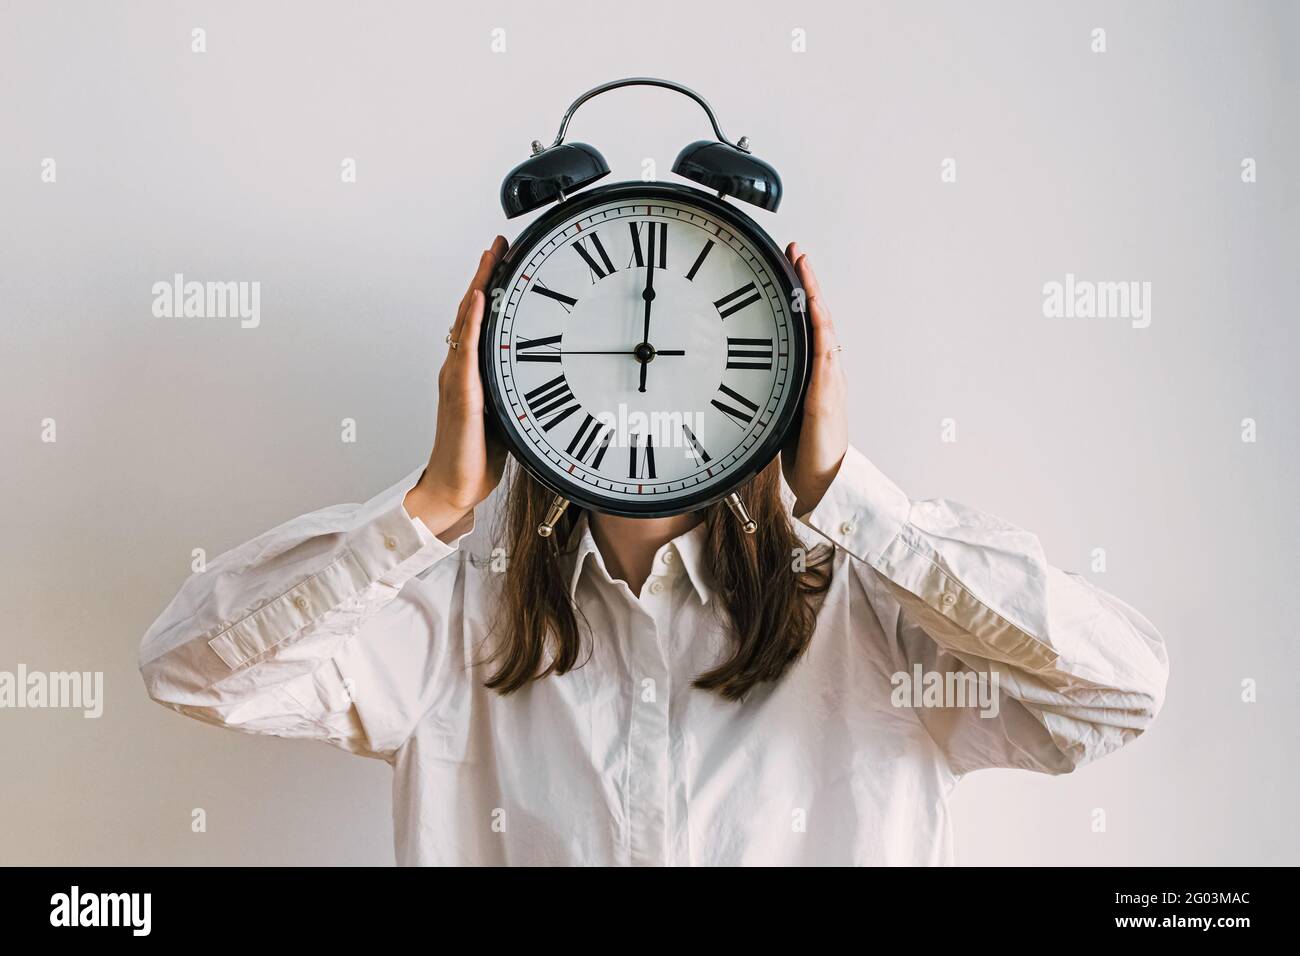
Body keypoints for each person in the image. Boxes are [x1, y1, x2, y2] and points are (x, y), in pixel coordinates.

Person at [139, 238, 1169, 866]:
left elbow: (1117, 690)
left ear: (783, 373)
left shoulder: (879, 618)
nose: (641, 379)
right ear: (507, 376)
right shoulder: (453, 619)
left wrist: (847, 497)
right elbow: (190, 665)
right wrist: (432, 505)